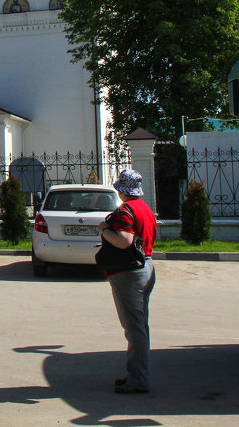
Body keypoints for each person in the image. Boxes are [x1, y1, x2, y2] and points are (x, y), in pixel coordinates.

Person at [98, 169, 157, 395]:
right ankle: (136, 374)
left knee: (134, 328)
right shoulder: (144, 208)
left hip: (129, 272)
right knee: (140, 326)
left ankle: (139, 380)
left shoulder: (125, 210)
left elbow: (124, 241)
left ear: (122, 190)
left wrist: (104, 230)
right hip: (146, 266)